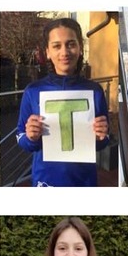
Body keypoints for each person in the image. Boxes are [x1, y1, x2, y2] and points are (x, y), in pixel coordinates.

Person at [16, 17, 110, 187]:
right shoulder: (33, 91)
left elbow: (102, 141)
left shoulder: (94, 91)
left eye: (71, 44)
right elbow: (21, 138)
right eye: (56, 46)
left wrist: (101, 136)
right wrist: (30, 137)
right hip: (45, 180)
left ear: (80, 48)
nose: (64, 52)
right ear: (47, 52)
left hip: (84, 181)